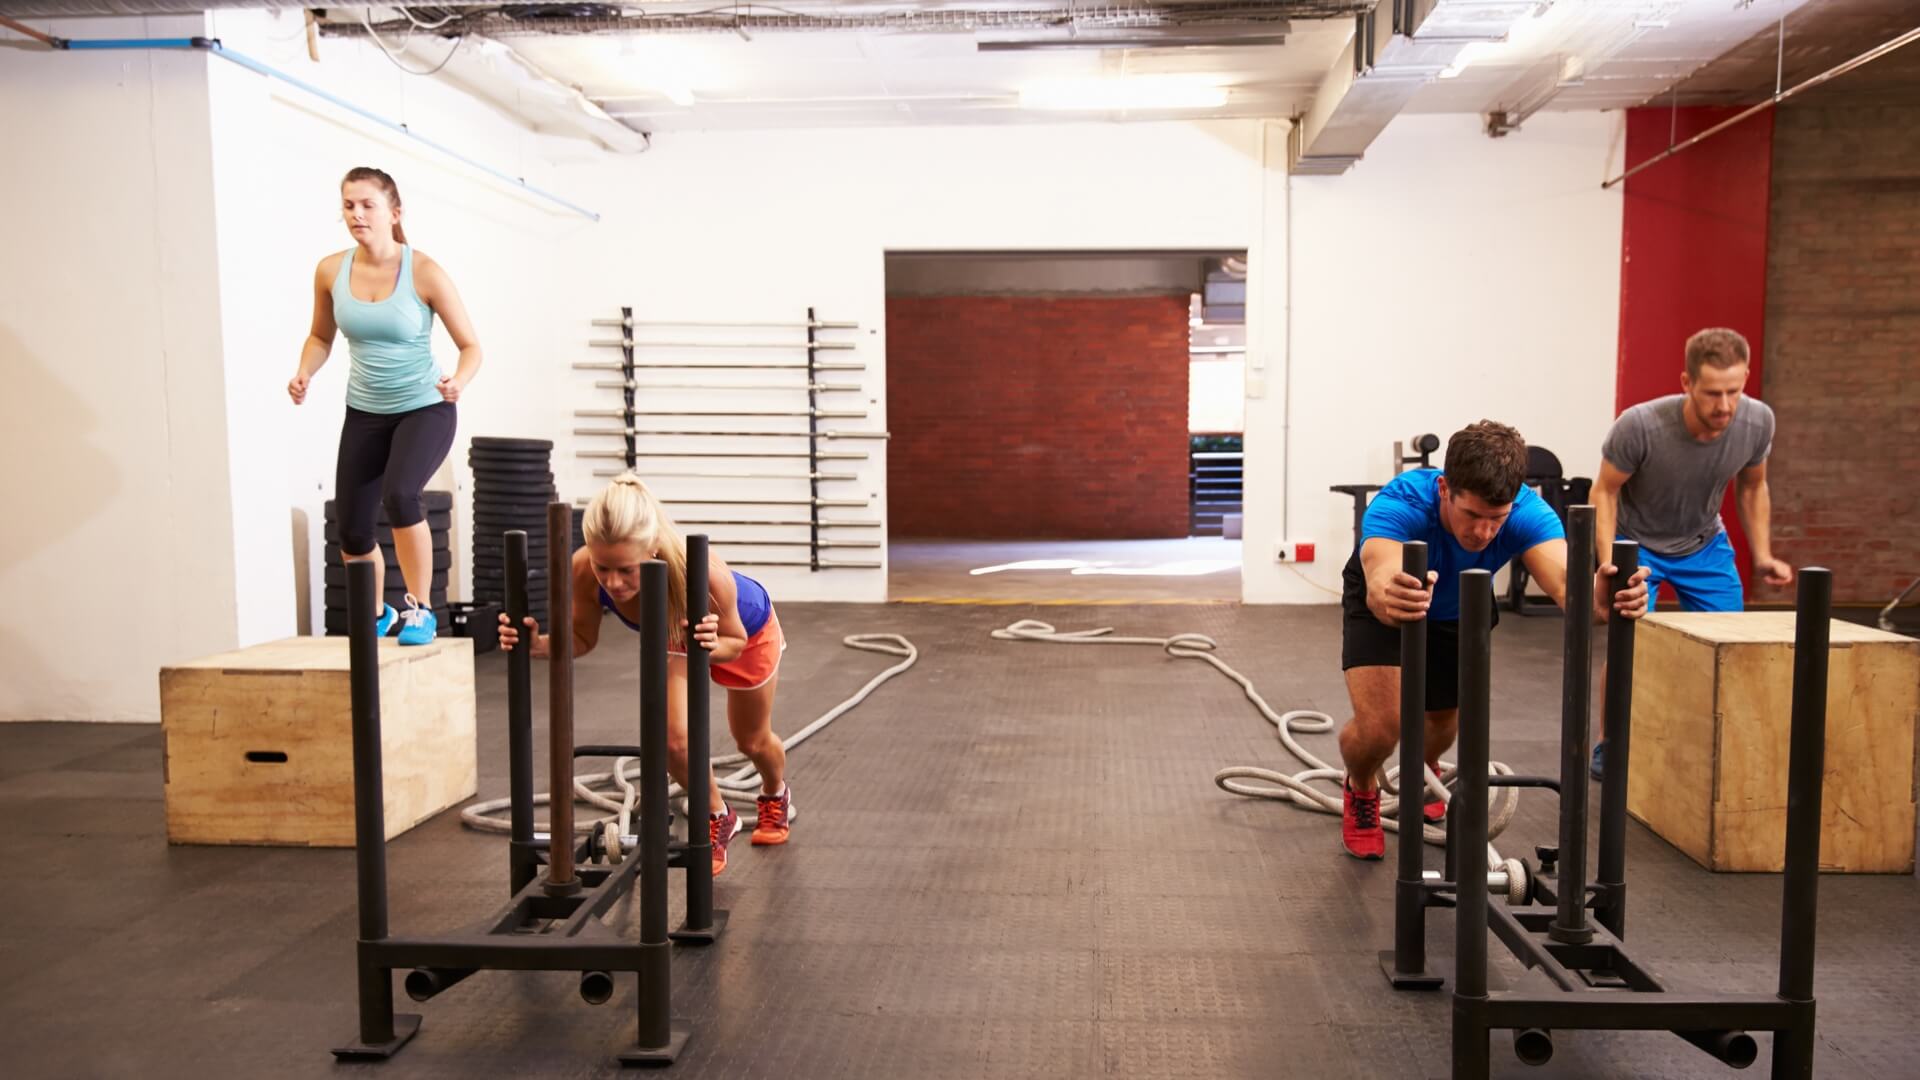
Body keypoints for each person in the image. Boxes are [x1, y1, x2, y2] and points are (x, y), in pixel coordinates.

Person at [1337, 421, 1649, 861]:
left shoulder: (1527, 513)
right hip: (1392, 600)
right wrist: (1393, 594)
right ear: (1445, 488)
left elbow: (1570, 587)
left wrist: (1601, 597)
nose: (1483, 533)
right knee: (1383, 727)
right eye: (1472, 516)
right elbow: (1378, 575)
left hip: (1461, 604)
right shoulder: (1403, 500)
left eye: (1495, 521)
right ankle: (1362, 787)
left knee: (1442, 722)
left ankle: (1423, 771)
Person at [497, 474, 793, 876]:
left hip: (743, 634)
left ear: (652, 549)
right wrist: (540, 645)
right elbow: (582, 638)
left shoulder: (700, 572)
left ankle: (774, 792)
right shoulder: (584, 569)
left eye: (626, 570)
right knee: (672, 740)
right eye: (605, 568)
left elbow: (734, 643)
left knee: (752, 740)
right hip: (674, 637)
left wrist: (709, 644)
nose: (614, 582)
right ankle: (719, 815)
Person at [289, 166, 482, 645]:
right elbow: (320, 335)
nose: (356, 214)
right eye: (349, 205)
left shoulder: (424, 272)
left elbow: (471, 346)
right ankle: (378, 612)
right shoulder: (331, 270)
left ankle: (421, 609)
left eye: (367, 205)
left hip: (424, 408)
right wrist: (305, 372)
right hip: (365, 413)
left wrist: (458, 381)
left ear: (394, 214)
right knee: (353, 531)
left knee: (401, 497)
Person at [1587, 327, 1790, 779]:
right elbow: (1604, 491)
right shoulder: (1640, 425)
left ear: (1746, 380)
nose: (1724, 406)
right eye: (1712, 393)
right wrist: (1610, 561)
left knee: (1734, 648)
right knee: (1629, 649)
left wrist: (1762, 555)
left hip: (1704, 543)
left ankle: (1717, 742)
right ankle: (1609, 742)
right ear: (1686, 383)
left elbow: (1754, 486)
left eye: (1733, 391)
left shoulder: (1758, 422)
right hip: (1638, 544)